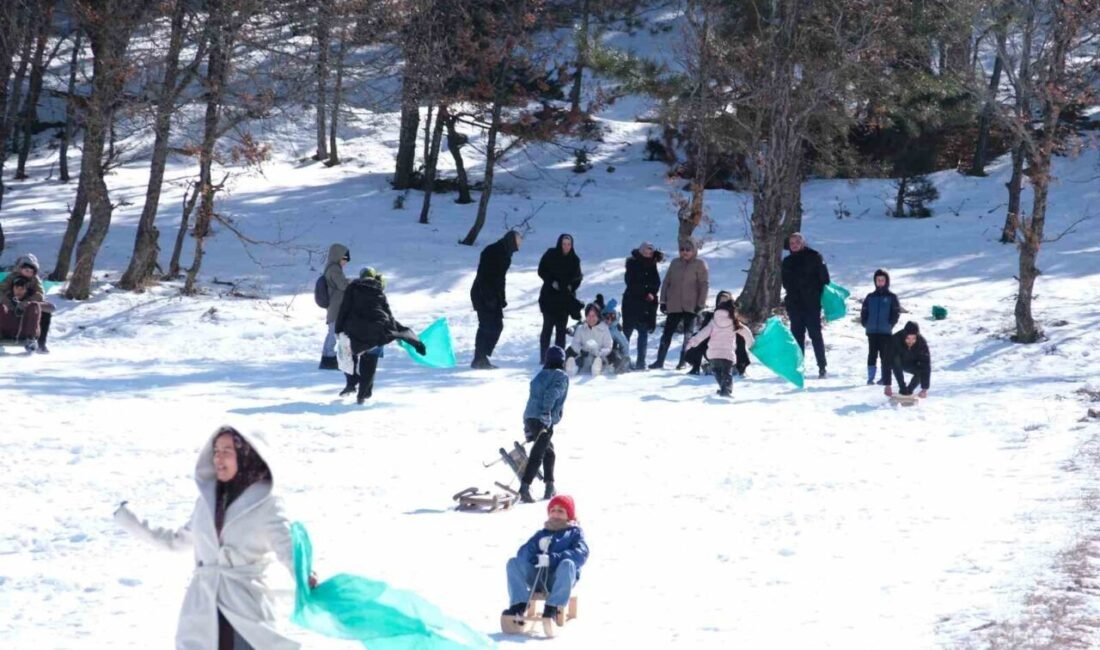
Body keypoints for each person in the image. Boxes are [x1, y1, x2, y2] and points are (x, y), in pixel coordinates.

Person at [113, 426, 317, 649]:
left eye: (227, 451)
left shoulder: (268, 503)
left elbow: (286, 546)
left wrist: (304, 575)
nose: (218, 458)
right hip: (203, 608)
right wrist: (131, 522)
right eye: (216, 451)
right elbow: (175, 542)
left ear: (247, 455)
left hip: (246, 606)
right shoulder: (206, 502)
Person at [335, 267, 426, 404]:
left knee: (349, 357)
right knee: (370, 363)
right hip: (377, 332)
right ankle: (363, 395)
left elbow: (344, 309)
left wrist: (338, 329)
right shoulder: (379, 292)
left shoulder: (352, 288)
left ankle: (352, 382)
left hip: (355, 331)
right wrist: (408, 337)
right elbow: (388, 316)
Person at [501, 495, 589, 631]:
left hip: (560, 579)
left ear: (569, 515)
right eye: (553, 510)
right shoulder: (541, 534)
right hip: (538, 578)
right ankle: (518, 605)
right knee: (513, 563)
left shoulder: (574, 533)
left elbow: (581, 554)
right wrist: (535, 554)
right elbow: (522, 554)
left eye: (561, 511)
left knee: (567, 563)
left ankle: (552, 608)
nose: (555, 514)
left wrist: (552, 558)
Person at [518, 345, 570, 503]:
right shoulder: (561, 376)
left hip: (530, 417)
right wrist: (546, 413)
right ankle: (524, 487)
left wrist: (527, 426)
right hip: (543, 419)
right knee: (538, 454)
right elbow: (551, 394)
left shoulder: (540, 375)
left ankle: (549, 486)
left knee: (549, 452)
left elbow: (532, 398)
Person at [651, 238, 708, 369]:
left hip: (691, 305)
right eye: (682, 249)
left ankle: (683, 361)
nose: (685, 252)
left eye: (688, 249)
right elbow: (666, 282)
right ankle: (659, 361)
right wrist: (663, 300)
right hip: (674, 304)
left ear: (694, 250)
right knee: (667, 334)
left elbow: (704, 285)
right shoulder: (675, 263)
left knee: (688, 335)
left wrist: (701, 303)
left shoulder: (700, 264)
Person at [781, 232, 831, 378]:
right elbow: (785, 283)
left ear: (802, 243)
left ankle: (822, 367)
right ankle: (799, 367)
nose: (794, 245)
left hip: (812, 304)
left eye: (797, 242)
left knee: (815, 335)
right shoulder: (787, 261)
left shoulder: (815, 256)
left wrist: (814, 290)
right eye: (791, 243)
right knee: (797, 337)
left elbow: (825, 279)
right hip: (795, 304)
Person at [470, 231, 522, 369]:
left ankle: (483, 356)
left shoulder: (506, 255)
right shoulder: (492, 251)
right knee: (486, 325)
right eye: (518, 240)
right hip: (482, 294)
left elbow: (501, 279)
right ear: (511, 240)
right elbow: (484, 276)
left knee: (497, 325)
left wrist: (502, 297)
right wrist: (488, 298)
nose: (520, 244)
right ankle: (478, 358)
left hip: (494, 295)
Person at [685, 299, 755, 397]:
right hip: (727, 354)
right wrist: (750, 343)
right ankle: (726, 391)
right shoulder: (734, 322)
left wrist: (693, 342)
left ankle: (723, 388)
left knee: (717, 372)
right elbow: (746, 332)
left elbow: (703, 333)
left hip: (713, 354)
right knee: (727, 373)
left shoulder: (713, 322)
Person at [537, 234, 583, 363]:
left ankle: (559, 358)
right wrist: (551, 281)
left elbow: (578, 278)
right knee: (547, 328)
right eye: (564, 244)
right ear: (559, 243)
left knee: (561, 330)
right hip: (549, 298)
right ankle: (544, 357)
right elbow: (541, 270)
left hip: (565, 299)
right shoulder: (550, 254)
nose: (566, 247)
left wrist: (570, 286)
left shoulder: (575, 259)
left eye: (569, 244)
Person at [684, 291, 753, 377]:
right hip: (713, 349)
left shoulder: (733, 318)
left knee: (740, 338)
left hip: (729, 350)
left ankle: (741, 368)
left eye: (726, 301)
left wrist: (750, 342)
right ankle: (696, 367)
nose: (723, 304)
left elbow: (744, 331)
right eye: (721, 302)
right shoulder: (711, 317)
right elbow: (703, 332)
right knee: (699, 337)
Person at [621, 242, 663, 370]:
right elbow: (630, 282)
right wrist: (646, 291)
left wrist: (651, 293)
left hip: (645, 305)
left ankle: (641, 362)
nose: (647, 254)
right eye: (645, 251)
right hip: (631, 303)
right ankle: (623, 361)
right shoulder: (632, 263)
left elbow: (656, 282)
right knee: (626, 334)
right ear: (640, 251)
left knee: (643, 334)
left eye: (650, 252)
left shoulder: (652, 264)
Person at [860, 269, 901, 385]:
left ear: (886, 281)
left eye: (882, 280)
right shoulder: (870, 297)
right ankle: (870, 378)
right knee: (872, 354)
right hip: (872, 331)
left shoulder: (891, 297)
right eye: (878, 280)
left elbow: (896, 312)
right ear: (875, 281)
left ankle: (884, 377)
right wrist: (865, 323)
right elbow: (864, 311)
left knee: (885, 356)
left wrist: (890, 324)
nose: (880, 282)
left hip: (885, 332)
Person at [320, 244, 350, 370]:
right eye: (344, 259)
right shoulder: (334, 269)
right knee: (333, 332)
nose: (346, 263)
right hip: (336, 305)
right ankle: (329, 357)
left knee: (332, 331)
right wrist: (351, 283)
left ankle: (327, 357)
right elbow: (342, 286)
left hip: (335, 305)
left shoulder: (332, 268)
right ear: (338, 257)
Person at [565, 303, 613, 376]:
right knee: (570, 351)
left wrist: (600, 352)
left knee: (604, 358)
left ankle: (597, 368)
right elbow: (575, 343)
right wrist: (580, 350)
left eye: (593, 316)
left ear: (598, 316)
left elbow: (608, 346)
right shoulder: (580, 328)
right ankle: (572, 367)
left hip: (598, 355)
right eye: (588, 316)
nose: (591, 319)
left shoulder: (604, 329)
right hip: (583, 355)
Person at [886, 321, 931, 399]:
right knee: (896, 359)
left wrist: (924, 389)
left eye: (913, 338)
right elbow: (886, 362)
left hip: (912, 363)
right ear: (904, 335)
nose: (911, 341)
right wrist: (887, 385)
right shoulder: (895, 339)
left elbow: (926, 365)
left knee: (921, 371)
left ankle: (908, 391)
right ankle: (902, 387)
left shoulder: (922, 342)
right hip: (898, 363)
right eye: (908, 338)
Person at [596, 295, 632, 374]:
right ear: (603, 316)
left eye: (612, 318)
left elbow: (624, 344)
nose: (609, 320)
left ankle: (620, 366)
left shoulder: (615, 330)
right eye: (607, 317)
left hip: (611, 351)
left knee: (615, 355)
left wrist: (625, 356)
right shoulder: (599, 325)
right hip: (597, 350)